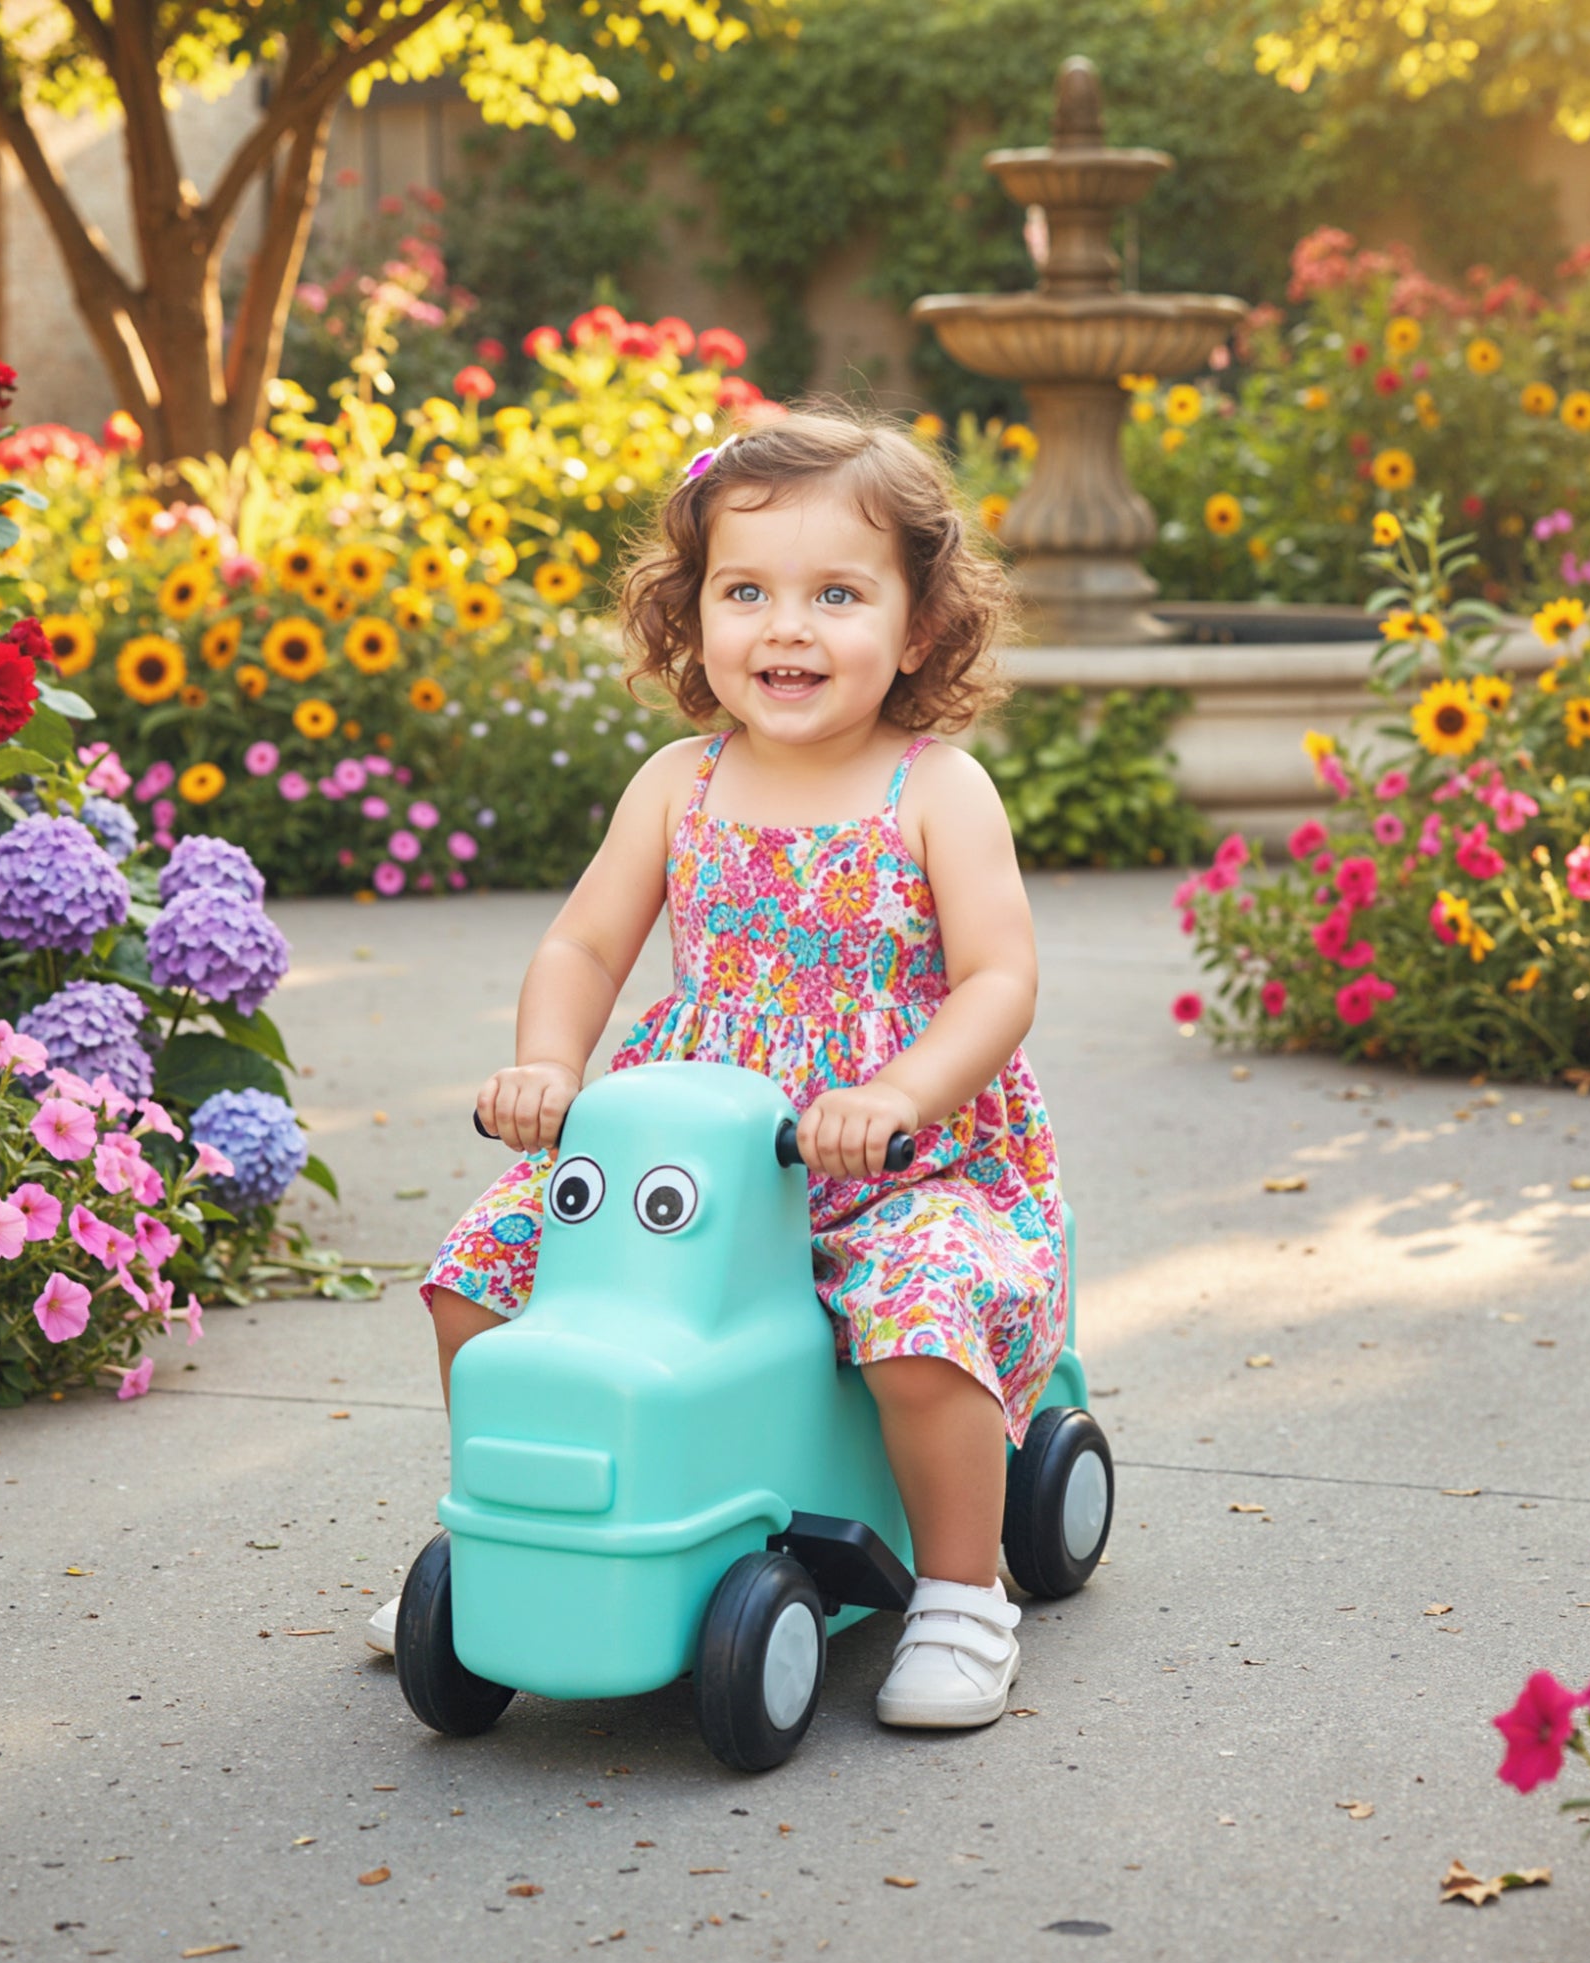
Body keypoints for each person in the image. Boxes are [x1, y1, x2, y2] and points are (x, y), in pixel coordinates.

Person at [370, 406, 1067, 1729]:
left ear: (919, 627)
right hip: (676, 1166)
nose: (786, 628)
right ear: (691, 618)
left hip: (887, 1159)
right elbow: (583, 943)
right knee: (479, 1275)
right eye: (745, 591)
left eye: (837, 595)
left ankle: (966, 1596)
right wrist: (546, 1065)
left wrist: (900, 1096)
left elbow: (1000, 981)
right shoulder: (677, 785)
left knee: (923, 1320)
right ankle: (518, 1536)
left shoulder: (935, 789)